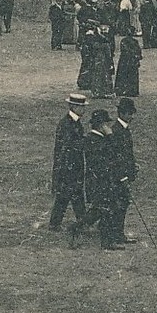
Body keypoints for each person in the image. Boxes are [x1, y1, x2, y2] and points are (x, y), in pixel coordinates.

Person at [74, 110, 122, 250]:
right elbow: (113, 154)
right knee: (106, 209)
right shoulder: (95, 140)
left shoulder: (95, 139)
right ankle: (106, 242)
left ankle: (77, 227)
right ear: (101, 125)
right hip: (99, 182)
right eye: (107, 123)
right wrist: (111, 136)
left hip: (99, 181)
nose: (108, 126)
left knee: (100, 210)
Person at [48, 93, 89, 230]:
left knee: (70, 195)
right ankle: (59, 223)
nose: (83, 110)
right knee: (68, 195)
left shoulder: (72, 122)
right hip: (68, 166)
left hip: (71, 166)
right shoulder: (67, 124)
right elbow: (67, 147)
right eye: (80, 107)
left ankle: (78, 221)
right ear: (73, 107)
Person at [106, 97, 138, 243]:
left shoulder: (122, 129)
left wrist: (133, 166)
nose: (131, 117)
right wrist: (122, 175)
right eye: (130, 113)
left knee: (123, 204)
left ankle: (119, 234)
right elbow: (114, 157)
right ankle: (116, 235)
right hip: (118, 177)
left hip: (124, 174)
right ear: (123, 113)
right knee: (118, 205)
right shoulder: (117, 131)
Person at [114, 32, 143, 97]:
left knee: (123, 75)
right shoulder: (135, 41)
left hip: (124, 60)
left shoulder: (123, 41)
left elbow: (124, 50)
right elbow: (139, 52)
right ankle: (132, 91)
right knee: (132, 76)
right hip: (132, 60)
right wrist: (137, 57)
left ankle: (121, 90)